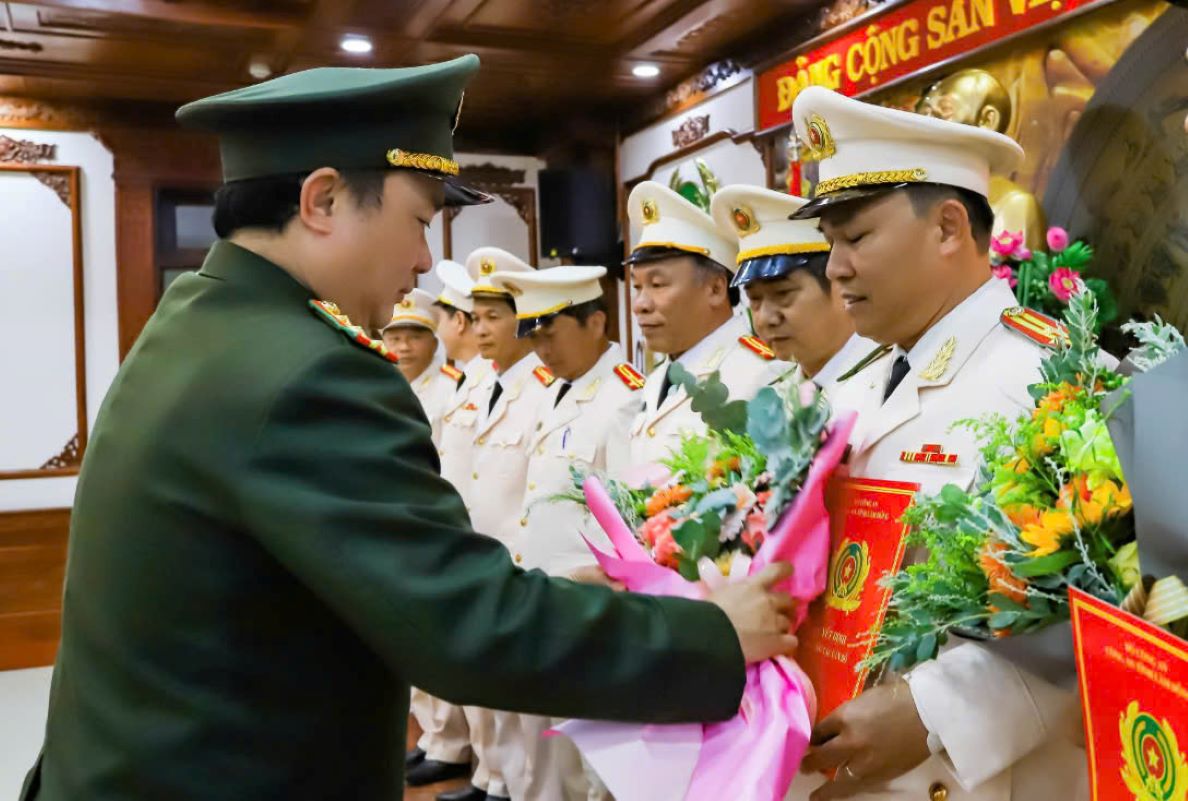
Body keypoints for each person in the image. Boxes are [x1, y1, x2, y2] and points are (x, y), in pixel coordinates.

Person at [21, 55, 800, 801]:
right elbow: (468, 627)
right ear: (322, 201)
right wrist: (711, 634)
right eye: (418, 220)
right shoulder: (308, 371)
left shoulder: (198, 321)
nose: (427, 261)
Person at [786, 86, 1087, 801]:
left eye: (854, 238)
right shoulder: (850, 392)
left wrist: (932, 712)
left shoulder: (1057, 382)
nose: (834, 268)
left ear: (949, 227)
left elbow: (1107, 616)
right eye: (830, 244)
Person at [489, 265, 645, 801]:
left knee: (598, 760)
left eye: (550, 332)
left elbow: (632, 518)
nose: (540, 350)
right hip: (547, 595)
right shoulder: (559, 392)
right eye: (532, 335)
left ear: (596, 322)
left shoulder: (623, 398)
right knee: (553, 749)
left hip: (592, 605)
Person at [625, 180, 791, 468]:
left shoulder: (759, 375)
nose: (641, 303)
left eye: (657, 284)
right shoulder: (655, 381)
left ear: (715, 289)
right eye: (637, 287)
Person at [709, 185, 878, 394]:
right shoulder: (771, 393)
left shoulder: (882, 383)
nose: (765, 319)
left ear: (838, 283)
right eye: (755, 299)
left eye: (783, 294)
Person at [381, 289, 456, 441]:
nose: (404, 347)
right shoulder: (376, 387)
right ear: (383, 344)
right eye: (395, 339)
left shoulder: (454, 389)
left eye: (415, 338)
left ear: (434, 345)